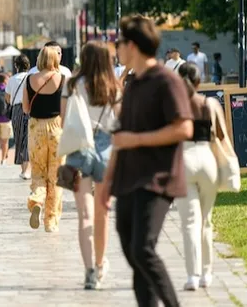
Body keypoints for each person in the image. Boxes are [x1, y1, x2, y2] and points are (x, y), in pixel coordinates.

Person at [107, 15, 193, 307]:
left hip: (157, 178)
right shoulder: (134, 83)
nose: (116, 48)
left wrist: (137, 140)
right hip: (128, 179)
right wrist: (107, 183)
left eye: (118, 43)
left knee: (143, 249)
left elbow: (184, 128)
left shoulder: (166, 80)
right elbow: (122, 137)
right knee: (133, 252)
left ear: (131, 45)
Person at [62, 41, 120, 290]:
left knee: (84, 215)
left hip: (79, 148)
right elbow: (120, 124)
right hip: (105, 148)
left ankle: (88, 271)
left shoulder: (72, 85)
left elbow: (65, 119)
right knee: (102, 214)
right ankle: (99, 264)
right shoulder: (113, 87)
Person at [175, 62, 227, 291]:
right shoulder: (210, 103)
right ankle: (207, 273)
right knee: (206, 221)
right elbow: (223, 134)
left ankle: (192, 276)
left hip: (184, 159)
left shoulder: (173, 106)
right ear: (199, 81)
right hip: (207, 159)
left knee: (189, 223)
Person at [23, 44, 66, 232]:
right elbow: (65, 112)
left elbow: (25, 108)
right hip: (56, 127)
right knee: (55, 176)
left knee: (38, 170)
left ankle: (37, 200)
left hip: (36, 127)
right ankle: (51, 221)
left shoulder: (29, 79)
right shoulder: (63, 80)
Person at [6, 55, 32, 180]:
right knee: (28, 138)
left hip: (16, 109)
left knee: (19, 137)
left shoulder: (12, 79)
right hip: (30, 109)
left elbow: (7, 97)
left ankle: (24, 169)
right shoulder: (30, 77)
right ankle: (27, 169)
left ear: (16, 66)